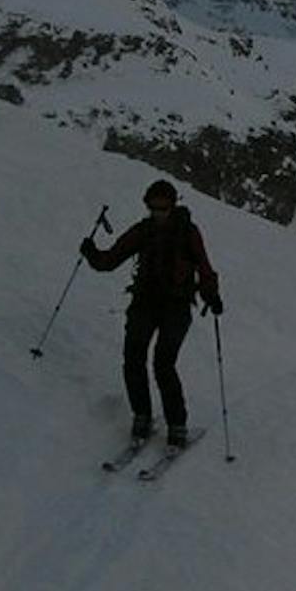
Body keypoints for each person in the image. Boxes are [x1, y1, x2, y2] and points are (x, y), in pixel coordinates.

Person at [81, 179, 222, 446]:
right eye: (153, 207)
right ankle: (142, 416)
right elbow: (111, 260)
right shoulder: (143, 231)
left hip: (176, 306)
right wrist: (91, 254)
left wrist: (211, 295)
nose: (158, 212)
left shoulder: (188, 232)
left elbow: (204, 266)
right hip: (145, 303)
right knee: (133, 358)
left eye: (163, 207)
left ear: (172, 204)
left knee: (163, 364)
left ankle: (177, 425)